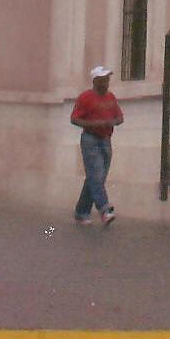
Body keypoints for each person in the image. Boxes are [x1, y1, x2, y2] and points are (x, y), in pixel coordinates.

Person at [69, 65, 123, 225]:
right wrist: (93, 124)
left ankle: (81, 211)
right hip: (90, 139)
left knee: (96, 177)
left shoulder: (111, 97)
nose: (106, 82)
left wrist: (111, 122)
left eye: (107, 79)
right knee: (96, 175)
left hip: (106, 139)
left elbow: (120, 117)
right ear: (95, 80)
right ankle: (105, 209)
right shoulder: (85, 97)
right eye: (103, 79)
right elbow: (74, 118)